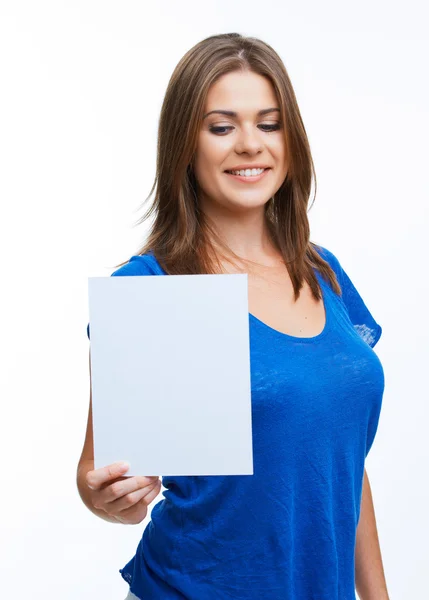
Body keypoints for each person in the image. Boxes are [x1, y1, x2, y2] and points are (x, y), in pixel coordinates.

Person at [77, 32, 389, 600]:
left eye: (269, 124)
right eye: (222, 127)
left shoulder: (325, 274)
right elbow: (98, 472)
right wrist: (111, 499)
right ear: (185, 145)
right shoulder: (150, 288)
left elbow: (343, 465)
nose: (250, 144)